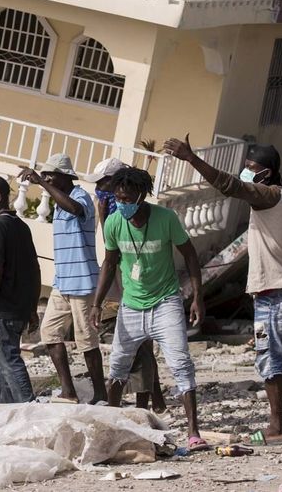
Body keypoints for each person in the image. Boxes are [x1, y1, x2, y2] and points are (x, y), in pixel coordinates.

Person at [164, 136, 282, 444]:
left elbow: (231, 186)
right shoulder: (279, 199)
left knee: (269, 359)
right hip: (281, 293)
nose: (246, 172)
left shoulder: (269, 195)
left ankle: (277, 427)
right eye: (244, 167)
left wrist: (192, 159)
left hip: (276, 295)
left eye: (251, 167)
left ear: (266, 172)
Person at [89, 167, 208, 450]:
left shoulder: (166, 219)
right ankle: (111, 427)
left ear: (142, 196)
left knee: (180, 364)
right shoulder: (114, 222)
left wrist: (197, 297)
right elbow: (109, 263)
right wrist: (97, 303)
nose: (122, 204)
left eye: (128, 198)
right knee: (118, 366)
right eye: (118, 198)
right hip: (131, 305)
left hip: (166, 302)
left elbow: (190, 255)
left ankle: (193, 433)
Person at [19, 154, 107, 404]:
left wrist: (41, 183)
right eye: (44, 175)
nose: (46, 178)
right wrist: (45, 185)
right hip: (63, 282)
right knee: (50, 334)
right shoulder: (58, 202)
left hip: (83, 283)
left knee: (86, 340)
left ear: (64, 176)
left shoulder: (81, 197)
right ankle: (69, 391)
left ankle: (100, 393)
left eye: (50, 175)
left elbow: (75, 209)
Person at [88, 157, 166, 412]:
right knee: (136, 343)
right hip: (123, 270)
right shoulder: (113, 203)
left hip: (135, 276)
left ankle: (147, 399)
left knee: (139, 342)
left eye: (103, 183)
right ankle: (151, 397)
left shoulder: (125, 202)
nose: (101, 188)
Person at [0, 176, 41, 403]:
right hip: (19, 307)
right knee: (1, 358)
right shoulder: (21, 227)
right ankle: (5, 410)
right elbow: (34, 269)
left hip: (4, 308)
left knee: (9, 358)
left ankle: (28, 406)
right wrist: (31, 308)